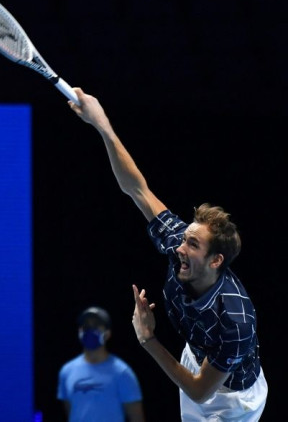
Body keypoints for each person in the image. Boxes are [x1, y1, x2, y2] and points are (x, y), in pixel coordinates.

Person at [68, 87, 268, 421]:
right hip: (199, 359)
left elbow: (200, 392)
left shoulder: (235, 319)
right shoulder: (180, 249)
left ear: (216, 260)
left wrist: (147, 339)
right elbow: (137, 188)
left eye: (193, 244)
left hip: (233, 400)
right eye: (184, 238)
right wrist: (103, 126)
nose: (179, 247)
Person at [57, 306, 146, 422]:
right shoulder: (66, 371)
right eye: (86, 326)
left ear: (107, 334)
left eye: (96, 326)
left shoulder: (122, 372)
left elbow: (137, 418)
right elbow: (71, 413)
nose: (90, 329)